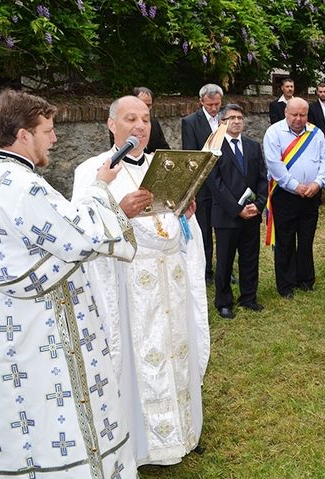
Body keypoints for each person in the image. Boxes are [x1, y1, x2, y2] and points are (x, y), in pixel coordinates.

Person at [0, 89, 138, 478]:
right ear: (24, 135)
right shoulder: (25, 187)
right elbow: (79, 235)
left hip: (6, 330)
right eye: (48, 129)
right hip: (41, 331)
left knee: (24, 420)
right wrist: (100, 188)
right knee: (55, 418)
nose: (55, 138)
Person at [73, 95, 210, 465]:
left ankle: (183, 431)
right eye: (131, 118)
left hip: (172, 281)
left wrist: (186, 212)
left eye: (146, 119)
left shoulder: (162, 165)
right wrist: (120, 211)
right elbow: (83, 231)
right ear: (111, 124)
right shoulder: (92, 171)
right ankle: (144, 444)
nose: (140, 126)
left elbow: (180, 230)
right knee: (140, 360)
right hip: (130, 285)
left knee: (176, 351)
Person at [263, 97, 325, 298]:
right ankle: (286, 284)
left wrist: (317, 184)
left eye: (302, 115)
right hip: (285, 196)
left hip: (311, 196)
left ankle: (306, 279)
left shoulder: (316, 133)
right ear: (286, 113)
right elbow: (275, 166)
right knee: (285, 241)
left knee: (306, 239)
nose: (298, 119)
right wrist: (295, 186)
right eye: (294, 115)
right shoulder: (274, 133)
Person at [207, 104, 268, 319]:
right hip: (227, 216)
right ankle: (224, 301)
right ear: (222, 122)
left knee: (250, 257)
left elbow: (262, 177)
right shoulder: (214, 148)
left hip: (251, 214)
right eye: (231, 118)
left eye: (240, 117)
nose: (236, 121)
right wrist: (237, 209)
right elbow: (215, 183)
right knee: (224, 260)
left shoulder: (252, 146)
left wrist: (259, 205)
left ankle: (249, 297)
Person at [182, 83, 223, 282]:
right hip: (204, 183)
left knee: (224, 229)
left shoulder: (226, 119)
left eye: (217, 104)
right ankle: (206, 271)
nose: (214, 108)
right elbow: (191, 155)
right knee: (205, 229)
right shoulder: (190, 122)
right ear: (201, 102)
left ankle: (225, 269)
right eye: (209, 105)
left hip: (225, 181)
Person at [109, 87, 170, 153]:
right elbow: (119, 149)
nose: (145, 108)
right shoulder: (119, 122)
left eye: (148, 105)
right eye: (142, 103)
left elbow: (165, 150)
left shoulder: (154, 123)